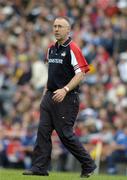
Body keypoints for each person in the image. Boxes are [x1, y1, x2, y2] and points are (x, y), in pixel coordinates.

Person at [23, 16, 96, 178]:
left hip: (67, 98)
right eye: (54, 26)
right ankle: (39, 167)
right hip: (50, 96)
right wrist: (45, 92)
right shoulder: (51, 48)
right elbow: (52, 73)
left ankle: (88, 164)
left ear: (68, 30)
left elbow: (81, 73)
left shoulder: (73, 48)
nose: (56, 29)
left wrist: (65, 89)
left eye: (60, 26)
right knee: (42, 132)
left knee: (65, 135)